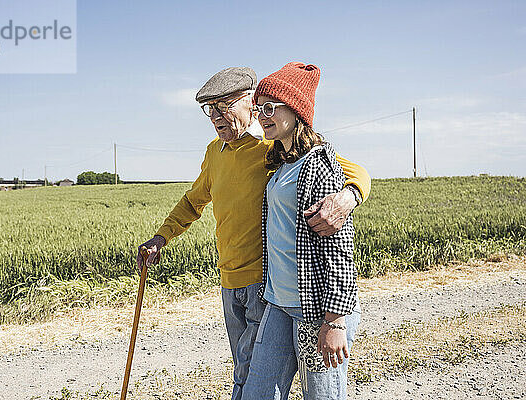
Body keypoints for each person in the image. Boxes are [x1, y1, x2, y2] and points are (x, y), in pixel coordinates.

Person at [136, 66, 370, 400]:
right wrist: (161, 237)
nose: (216, 116)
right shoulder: (214, 153)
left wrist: (347, 198)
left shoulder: (272, 149)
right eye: (210, 109)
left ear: (249, 102)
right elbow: (193, 201)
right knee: (247, 372)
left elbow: (353, 171)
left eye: (224, 106)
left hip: (268, 285)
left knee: (253, 378)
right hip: (231, 283)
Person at [240, 62, 361, 400]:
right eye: (257, 107)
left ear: (296, 111)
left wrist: (334, 322)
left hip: (316, 308)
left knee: (321, 396)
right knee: (258, 393)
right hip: (279, 303)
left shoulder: (317, 164)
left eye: (269, 107)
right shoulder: (282, 164)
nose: (262, 115)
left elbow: (339, 250)